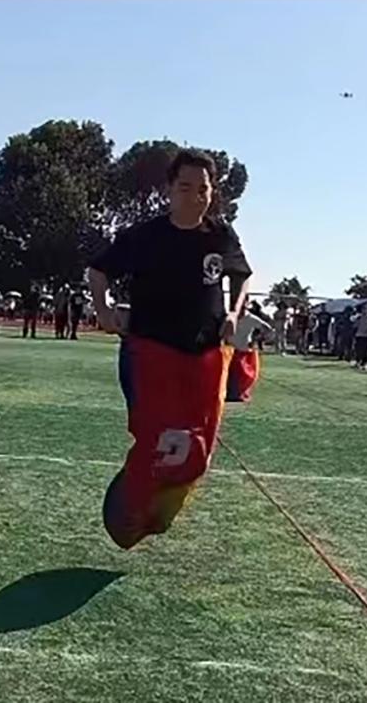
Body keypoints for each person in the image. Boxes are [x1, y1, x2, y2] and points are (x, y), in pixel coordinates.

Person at [87, 148, 252, 550]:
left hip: (206, 355)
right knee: (157, 439)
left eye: (203, 189)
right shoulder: (145, 237)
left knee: (197, 450)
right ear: (169, 190)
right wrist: (103, 310)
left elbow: (242, 277)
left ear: (212, 192)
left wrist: (234, 312)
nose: (195, 196)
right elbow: (98, 271)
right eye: (185, 187)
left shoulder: (220, 235)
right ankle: (128, 515)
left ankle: (160, 514)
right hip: (151, 353)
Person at [227, 301, 272, 402]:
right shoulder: (230, 316)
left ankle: (238, 393)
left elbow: (267, 329)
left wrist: (257, 339)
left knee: (242, 375)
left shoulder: (251, 318)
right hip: (229, 350)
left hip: (243, 350)